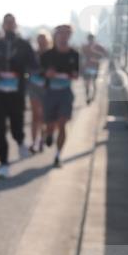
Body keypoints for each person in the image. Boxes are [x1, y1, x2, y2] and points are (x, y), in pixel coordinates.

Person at [0, 13, 38, 179]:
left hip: (17, 92)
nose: (9, 25)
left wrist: (23, 72)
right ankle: (3, 163)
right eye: (6, 22)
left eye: (11, 22)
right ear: (2, 25)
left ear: (15, 25)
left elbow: (34, 66)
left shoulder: (24, 45)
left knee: (17, 126)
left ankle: (20, 141)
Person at [41, 25, 81, 168]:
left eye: (67, 34)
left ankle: (58, 156)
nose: (64, 36)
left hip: (65, 92)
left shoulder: (74, 55)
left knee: (62, 123)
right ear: (55, 35)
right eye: (61, 34)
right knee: (50, 125)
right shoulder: (47, 55)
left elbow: (77, 74)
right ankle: (48, 133)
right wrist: (47, 74)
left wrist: (74, 75)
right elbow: (40, 73)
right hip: (50, 93)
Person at [27, 30, 51, 154]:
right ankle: (34, 142)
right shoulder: (33, 54)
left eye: (43, 39)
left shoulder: (52, 54)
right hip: (33, 87)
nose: (41, 42)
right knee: (35, 115)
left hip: (47, 88)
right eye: (39, 39)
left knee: (43, 116)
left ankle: (42, 139)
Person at [80, 33, 109, 104]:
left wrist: (98, 59)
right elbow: (81, 57)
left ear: (93, 39)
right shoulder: (84, 47)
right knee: (87, 83)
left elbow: (105, 54)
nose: (90, 40)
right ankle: (87, 97)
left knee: (93, 83)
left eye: (91, 39)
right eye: (89, 39)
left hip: (95, 67)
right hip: (86, 68)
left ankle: (93, 96)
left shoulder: (99, 47)